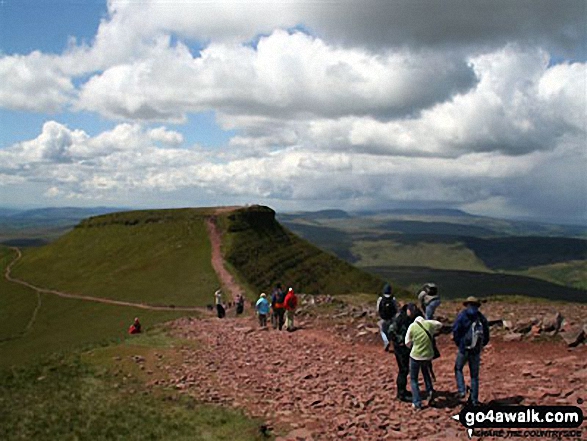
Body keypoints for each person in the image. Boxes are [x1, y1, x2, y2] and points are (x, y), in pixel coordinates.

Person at [452, 296, 490, 406]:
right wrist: (481, 345)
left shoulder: (463, 316)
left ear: (467, 304)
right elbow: (486, 333)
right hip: (476, 350)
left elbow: (455, 330)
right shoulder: (480, 317)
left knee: (458, 368)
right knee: (474, 376)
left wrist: (459, 343)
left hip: (464, 348)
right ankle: (473, 400)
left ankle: (462, 390)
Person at [405, 313, 443, 410]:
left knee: (414, 379)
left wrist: (412, 346)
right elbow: (439, 324)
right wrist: (428, 322)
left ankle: (417, 403)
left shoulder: (412, 326)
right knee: (426, 374)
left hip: (416, 356)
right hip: (428, 355)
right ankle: (430, 392)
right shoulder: (429, 325)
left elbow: (407, 342)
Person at [388, 303, 421, 402]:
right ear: (407, 310)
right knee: (403, 370)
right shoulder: (400, 319)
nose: (412, 313)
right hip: (400, 349)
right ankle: (401, 393)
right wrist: (400, 340)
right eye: (411, 311)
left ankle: (403, 391)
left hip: (408, 348)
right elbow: (391, 332)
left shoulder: (414, 318)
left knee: (406, 369)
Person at [377, 283, 397, 352]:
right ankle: (393, 343)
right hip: (391, 318)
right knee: (390, 331)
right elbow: (396, 308)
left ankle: (386, 341)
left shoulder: (381, 299)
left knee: (382, 330)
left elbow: (378, 308)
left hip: (383, 318)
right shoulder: (393, 299)